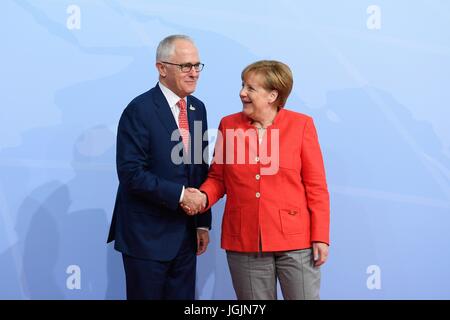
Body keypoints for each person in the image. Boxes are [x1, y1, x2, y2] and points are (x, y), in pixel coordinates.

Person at [184, 60, 330, 300]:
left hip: (297, 243)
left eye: (251, 88)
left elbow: (316, 187)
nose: (242, 93)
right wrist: (202, 197)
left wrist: (320, 237)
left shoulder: (301, 125)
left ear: (273, 95)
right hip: (245, 242)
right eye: (243, 85)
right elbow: (218, 177)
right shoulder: (228, 125)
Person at [107, 35, 211, 300]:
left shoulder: (198, 109)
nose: (194, 73)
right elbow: (131, 173)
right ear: (162, 68)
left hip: (186, 237)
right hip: (146, 238)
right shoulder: (139, 109)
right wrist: (180, 195)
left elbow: (199, 169)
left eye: (197, 66)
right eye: (185, 66)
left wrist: (202, 224)